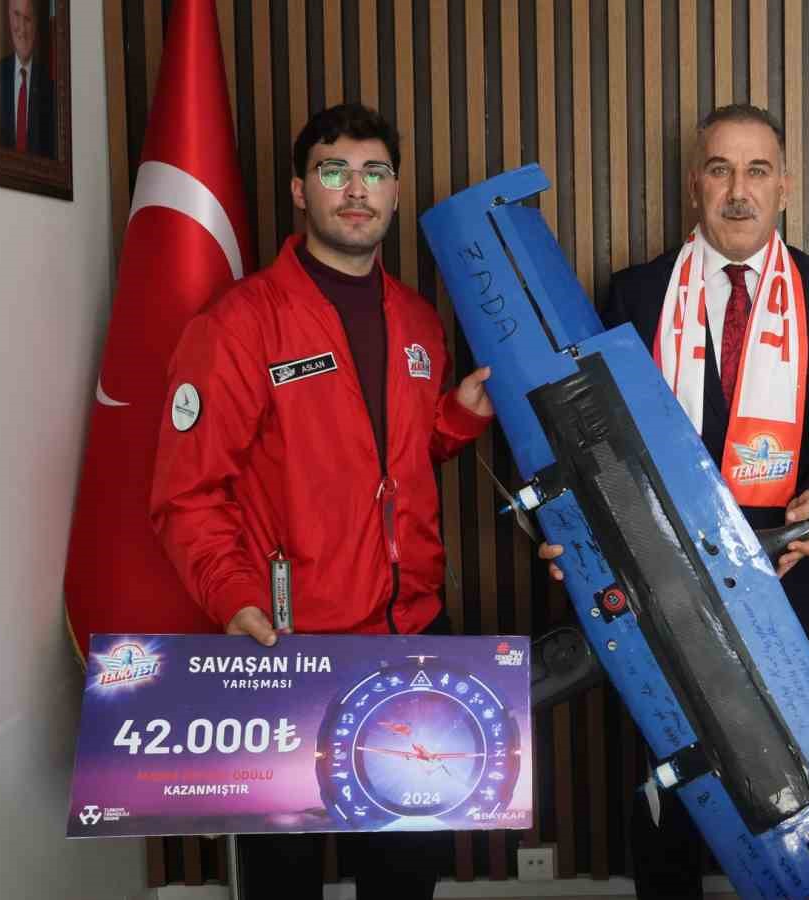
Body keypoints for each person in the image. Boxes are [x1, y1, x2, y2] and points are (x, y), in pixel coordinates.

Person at [150, 103, 494, 900]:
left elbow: (395, 460)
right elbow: (186, 493)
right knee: (285, 881)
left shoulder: (418, 321)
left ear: (395, 192)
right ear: (301, 191)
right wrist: (235, 600)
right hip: (288, 645)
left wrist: (456, 418)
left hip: (411, 636)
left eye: (375, 172)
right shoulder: (239, 324)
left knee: (404, 877)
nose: (356, 189)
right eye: (334, 170)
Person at [541, 103, 809, 899]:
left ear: (785, 185)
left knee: (794, 773)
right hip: (659, 578)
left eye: (758, 171)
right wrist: (572, 534)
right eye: (721, 169)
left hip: (789, 572)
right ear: (695, 184)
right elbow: (588, 441)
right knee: (669, 770)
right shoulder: (637, 293)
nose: (738, 190)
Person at [0, 0, 56, 158]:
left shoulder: (52, 87)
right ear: (9, 17)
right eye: (17, 15)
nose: (22, 29)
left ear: (36, 23)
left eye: (28, 18)